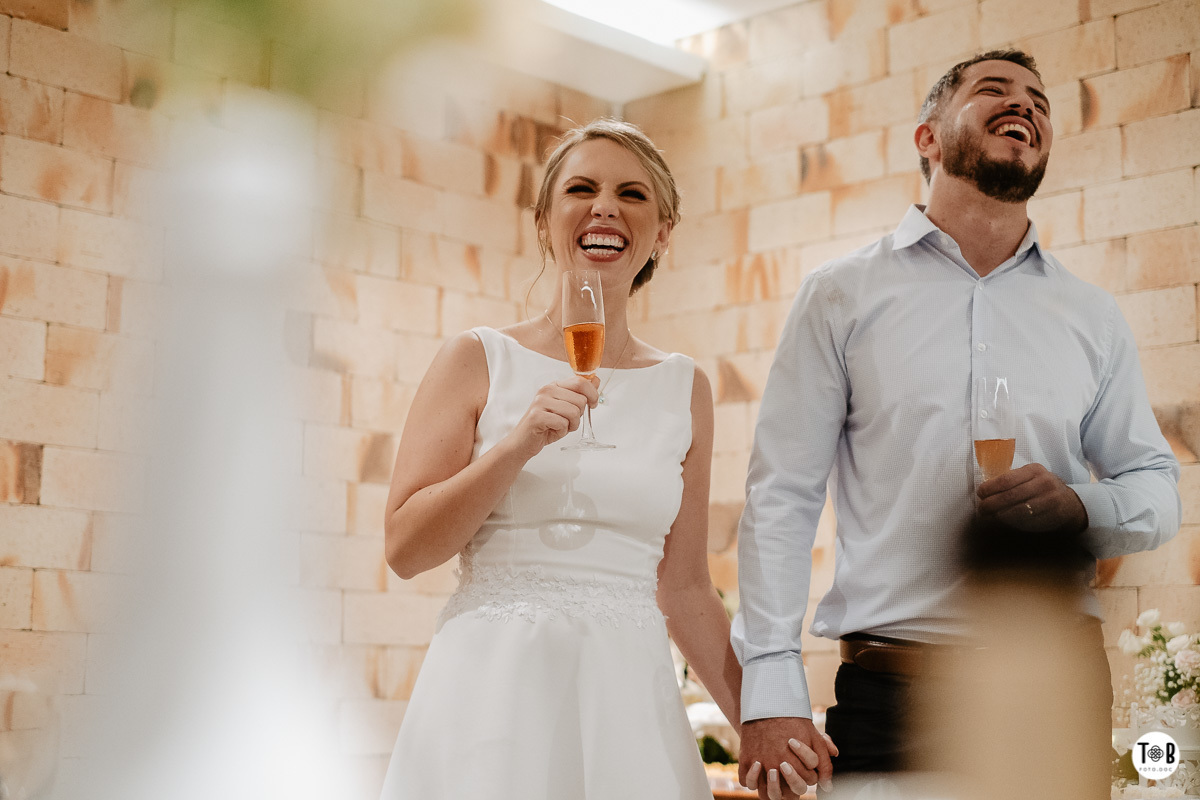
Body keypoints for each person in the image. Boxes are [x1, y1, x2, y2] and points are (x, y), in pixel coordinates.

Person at [732, 49, 1182, 799]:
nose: (1026, 106)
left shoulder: (1093, 318)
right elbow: (781, 497)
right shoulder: (840, 298)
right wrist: (770, 693)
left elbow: (1157, 491)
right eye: (994, 91)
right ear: (928, 138)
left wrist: (1080, 505)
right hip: (890, 693)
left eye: (1039, 100)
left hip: (1057, 687)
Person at [378, 118, 741, 799]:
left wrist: (760, 725)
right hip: (490, 690)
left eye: (632, 194)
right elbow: (404, 548)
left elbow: (687, 587)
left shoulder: (684, 386)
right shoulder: (475, 357)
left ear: (662, 231)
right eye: (582, 187)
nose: (605, 205)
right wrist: (516, 447)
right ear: (545, 221)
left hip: (626, 696)